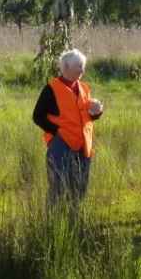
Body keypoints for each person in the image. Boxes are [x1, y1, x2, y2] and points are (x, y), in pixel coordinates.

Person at [32, 48, 104, 204]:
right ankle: (54, 223)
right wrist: (57, 133)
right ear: (65, 68)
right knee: (58, 188)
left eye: (83, 66)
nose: (82, 69)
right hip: (61, 145)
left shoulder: (84, 88)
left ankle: (74, 221)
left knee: (79, 188)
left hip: (84, 145)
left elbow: (87, 115)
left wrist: (97, 112)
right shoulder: (51, 88)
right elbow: (37, 116)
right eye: (78, 66)